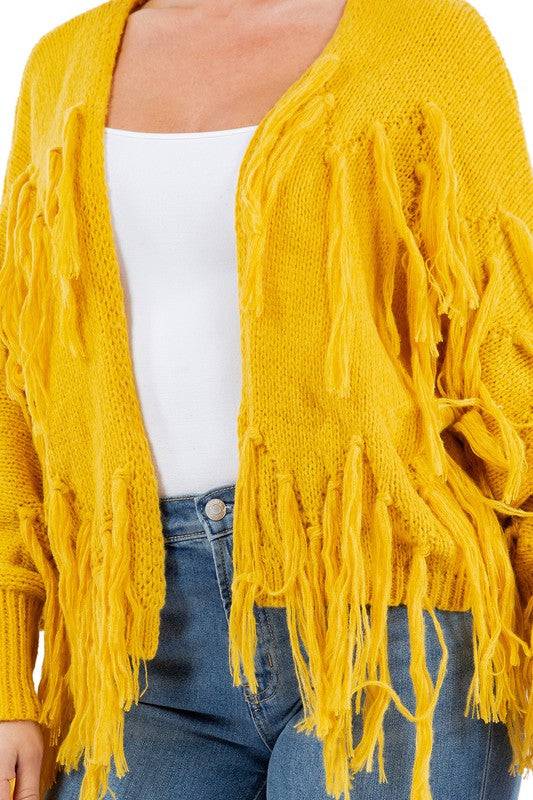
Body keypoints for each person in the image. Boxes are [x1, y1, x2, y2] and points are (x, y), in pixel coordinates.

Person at [0, 0, 532, 798]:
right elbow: (18, 383)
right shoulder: (60, 67)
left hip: (393, 617)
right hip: (136, 643)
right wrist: (11, 677)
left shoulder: (425, 39)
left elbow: (507, 348)